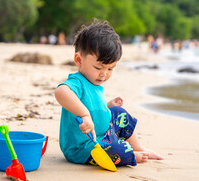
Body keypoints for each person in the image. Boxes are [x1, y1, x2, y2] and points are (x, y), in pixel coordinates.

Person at [55, 21, 164, 167]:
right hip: (85, 146)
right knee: (119, 149)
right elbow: (61, 92)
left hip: (102, 135)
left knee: (119, 113)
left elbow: (94, 109)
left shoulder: (94, 81)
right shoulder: (77, 81)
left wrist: (108, 106)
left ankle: (138, 148)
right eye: (98, 67)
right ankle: (130, 154)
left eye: (110, 69)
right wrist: (84, 115)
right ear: (79, 60)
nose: (104, 74)